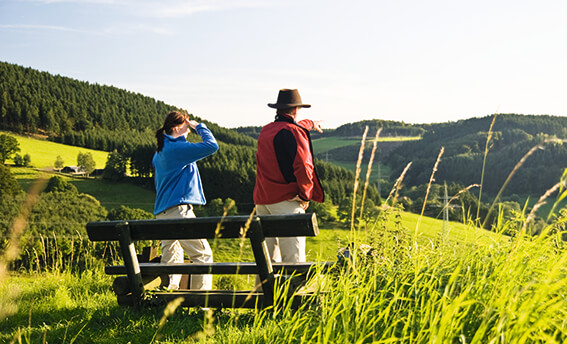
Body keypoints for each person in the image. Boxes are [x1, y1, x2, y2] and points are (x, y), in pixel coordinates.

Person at [254, 88, 325, 271]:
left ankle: (262, 298)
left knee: (267, 261)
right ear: (295, 110)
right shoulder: (293, 132)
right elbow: (304, 166)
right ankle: (293, 299)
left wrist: (311, 123)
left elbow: (296, 126)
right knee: (293, 260)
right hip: (286, 202)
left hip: (262, 202)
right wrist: (305, 195)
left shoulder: (266, 130)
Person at [153, 110, 219, 290]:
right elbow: (212, 146)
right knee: (202, 255)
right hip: (179, 212)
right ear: (176, 127)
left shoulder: (160, 152)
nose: (188, 130)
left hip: (162, 213)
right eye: (185, 126)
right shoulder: (177, 149)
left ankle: (167, 298)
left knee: (172, 259)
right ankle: (202, 303)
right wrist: (200, 127)